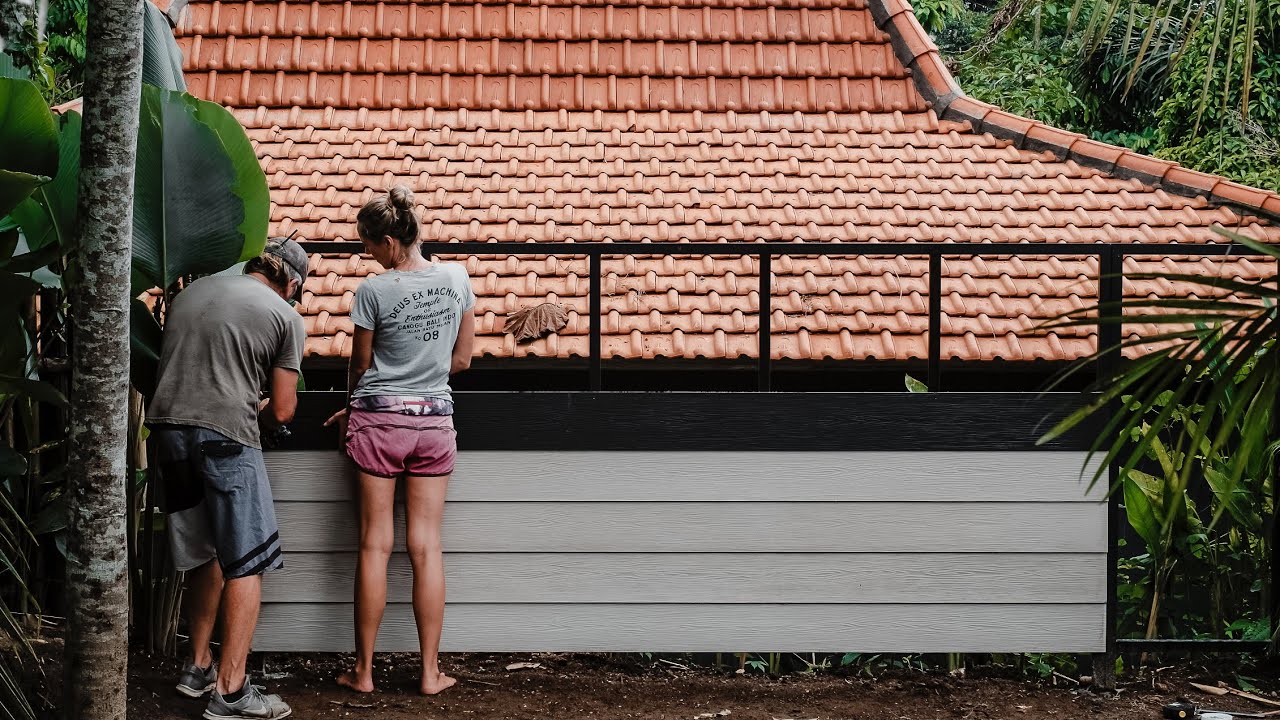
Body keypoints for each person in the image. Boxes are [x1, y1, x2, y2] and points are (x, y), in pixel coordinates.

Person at [148, 238, 309, 720]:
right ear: (292, 284)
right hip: (225, 437)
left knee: (207, 551)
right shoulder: (285, 316)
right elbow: (283, 409)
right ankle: (232, 692)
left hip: (168, 433)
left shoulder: (192, 294)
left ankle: (197, 667)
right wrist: (261, 412)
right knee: (248, 561)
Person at [324, 185, 475, 696]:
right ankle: (430, 673)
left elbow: (360, 365)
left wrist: (353, 406)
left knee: (375, 544)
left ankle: (364, 672)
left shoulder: (373, 291)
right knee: (426, 547)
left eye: (367, 244)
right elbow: (462, 360)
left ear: (388, 242)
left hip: (378, 423)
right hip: (434, 422)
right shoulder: (457, 279)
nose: (366, 253)